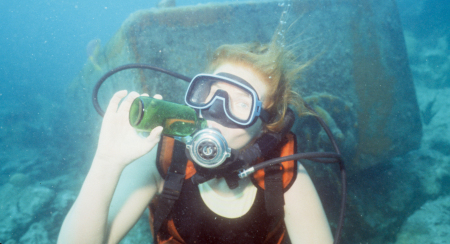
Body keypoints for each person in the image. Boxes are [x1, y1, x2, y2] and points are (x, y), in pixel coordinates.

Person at [58, 34, 333, 243]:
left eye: (240, 104)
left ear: (265, 125)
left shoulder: (283, 174)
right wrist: (106, 163)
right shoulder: (164, 158)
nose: (215, 111)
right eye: (211, 92)